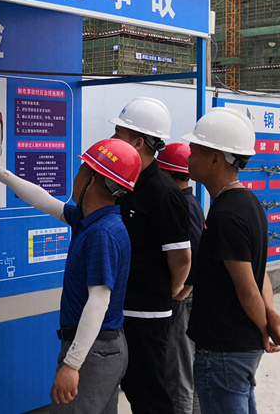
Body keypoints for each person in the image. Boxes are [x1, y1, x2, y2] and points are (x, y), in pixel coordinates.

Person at [0, 139, 141, 413]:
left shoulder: (102, 233)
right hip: (103, 348)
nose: (76, 175)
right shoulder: (93, 220)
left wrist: (72, 365)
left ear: (92, 180)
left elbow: (98, 302)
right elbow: (45, 201)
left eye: (81, 169)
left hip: (93, 351)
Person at [183, 108, 280, 414]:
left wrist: (265, 327)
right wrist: (269, 314)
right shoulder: (248, 203)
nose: (188, 158)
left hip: (224, 351)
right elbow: (261, 274)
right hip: (236, 349)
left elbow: (247, 288)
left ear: (215, 159)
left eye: (194, 151)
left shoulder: (226, 215)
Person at [109, 97, 192, 414]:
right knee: (129, 385)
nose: (113, 139)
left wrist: (169, 289)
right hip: (121, 307)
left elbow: (181, 258)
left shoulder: (163, 192)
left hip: (147, 315)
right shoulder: (125, 182)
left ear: (138, 142)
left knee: (149, 395)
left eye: (119, 133)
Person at [158, 142, 205, 414]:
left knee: (179, 374)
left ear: (165, 173)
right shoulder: (191, 201)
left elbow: (195, 250)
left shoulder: (179, 205)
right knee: (188, 371)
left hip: (182, 302)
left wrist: (184, 286)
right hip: (190, 300)